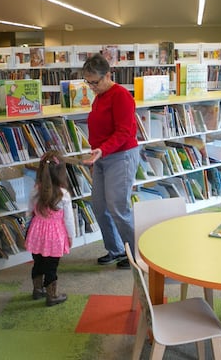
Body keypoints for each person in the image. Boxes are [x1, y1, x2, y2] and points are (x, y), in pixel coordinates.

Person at [81, 53, 141, 269]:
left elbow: (124, 131)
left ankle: (135, 253)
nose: (92, 87)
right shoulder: (100, 96)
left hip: (121, 156)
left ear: (108, 75)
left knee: (118, 207)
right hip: (102, 156)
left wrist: (102, 149)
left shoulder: (121, 96)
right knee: (99, 206)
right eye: (88, 82)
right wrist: (97, 151)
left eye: (95, 82)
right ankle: (115, 249)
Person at [24, 150, 76, 306]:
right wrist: (71, 236)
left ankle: (37, 290)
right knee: (51, 266)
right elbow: (69, 220)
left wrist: (28, 231)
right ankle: (52, 296)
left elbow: (28, 212)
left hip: (36, 232)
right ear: (61, 173)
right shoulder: (63, 194)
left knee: (38, 262)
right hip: (55, 236)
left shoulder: (35, 190)